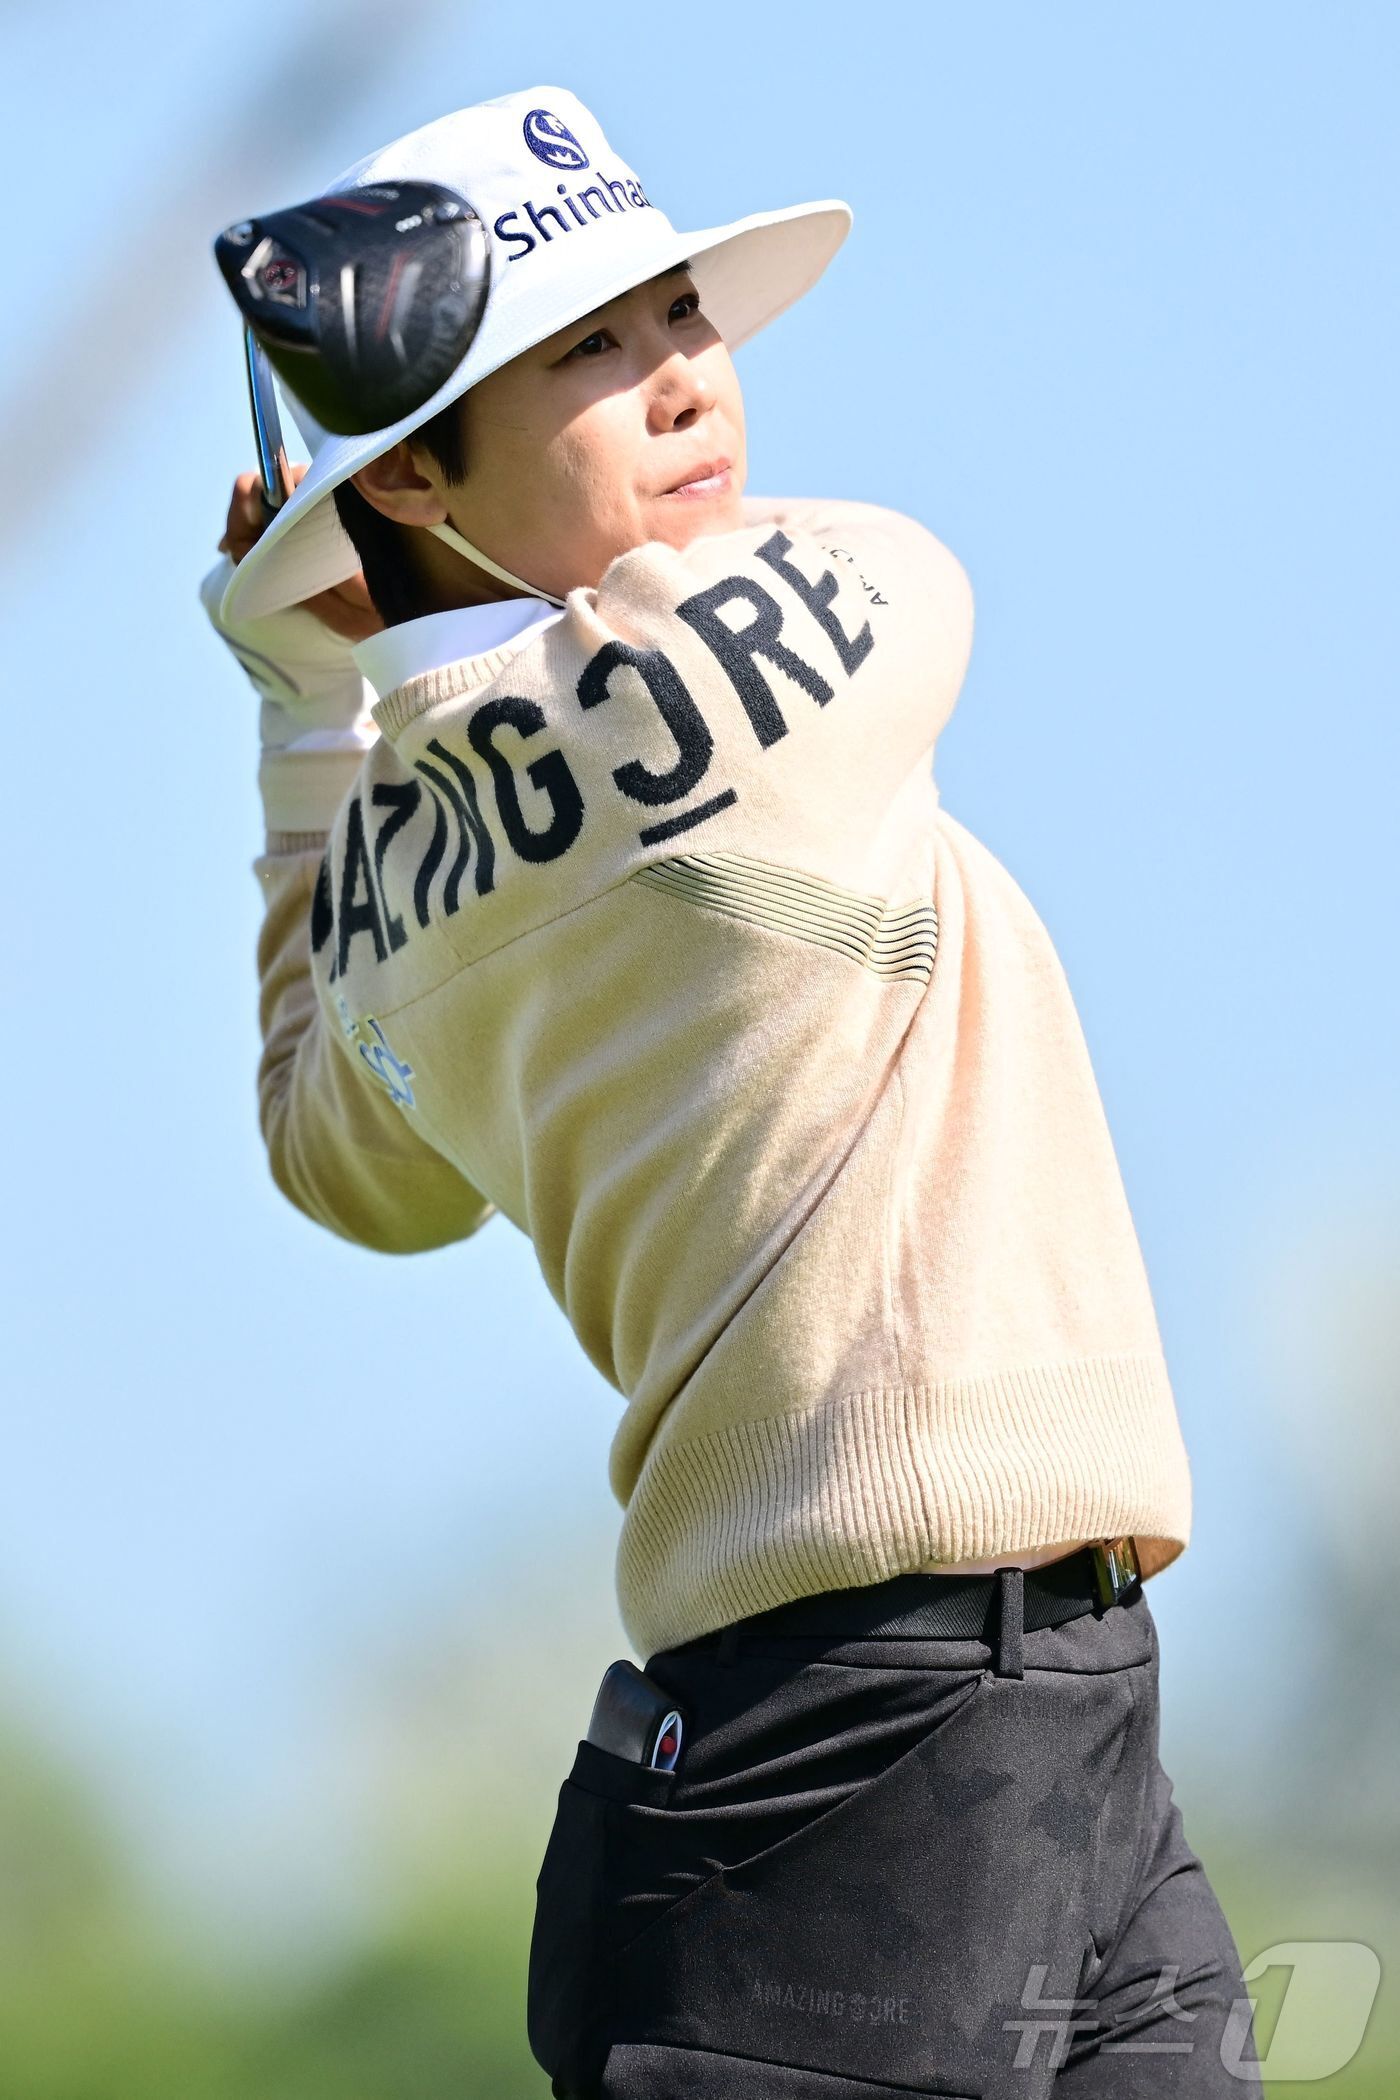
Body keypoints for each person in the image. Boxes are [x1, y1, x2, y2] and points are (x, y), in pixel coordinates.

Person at [202, 83, 1257, 2099]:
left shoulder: (394, 897)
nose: (685, 378)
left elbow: (336, 1161)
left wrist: (311, 716)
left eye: (679, 316)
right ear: (418, 472)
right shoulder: (777, 636)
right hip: (879, 1730)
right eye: (589, 350)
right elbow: (911, 580)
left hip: (1004, 1703)